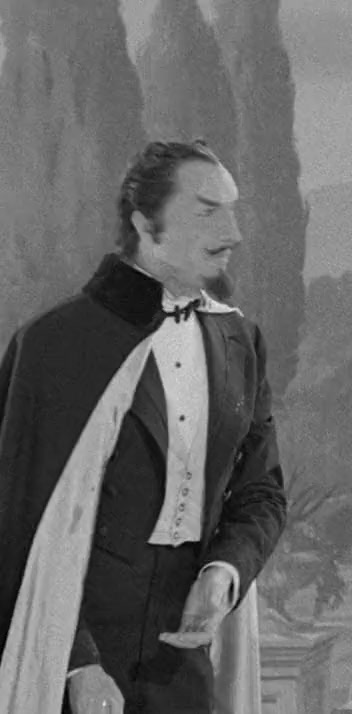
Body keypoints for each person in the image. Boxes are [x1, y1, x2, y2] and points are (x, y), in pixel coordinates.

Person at [0, 140, 287, 713]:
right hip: (72, 652)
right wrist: (77, 664)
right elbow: (14, 522)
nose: (232, 233)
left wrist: (224, 572)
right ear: (143, 223)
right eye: (207, 212)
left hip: (185, 653)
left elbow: (262, 492)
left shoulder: (239, 342)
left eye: (233, 212)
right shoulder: (54, 345)